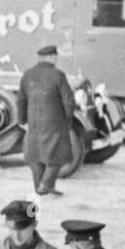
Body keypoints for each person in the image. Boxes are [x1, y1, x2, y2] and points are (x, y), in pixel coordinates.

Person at [17, 44, 76, 197]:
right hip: (55, 122)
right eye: (55, 56)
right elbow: (68, 100)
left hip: (34, 123)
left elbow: (21, 99)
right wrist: (68, 117)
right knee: (57, 156)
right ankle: (45, 185)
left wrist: (22, 119)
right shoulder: (58, 75)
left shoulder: (27, 75)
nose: (56, 59)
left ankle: (41, 187)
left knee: (36, 156)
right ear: (50, 57)